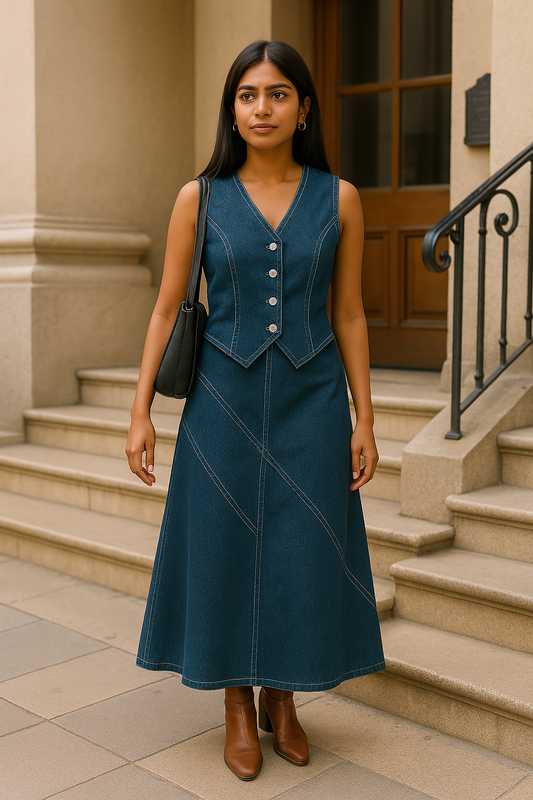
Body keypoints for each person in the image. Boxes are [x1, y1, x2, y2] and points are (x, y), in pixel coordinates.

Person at [126, 39, 385, 782]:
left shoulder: (339, 198)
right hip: (221, 400)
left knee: (305, 550)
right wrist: (140, 412)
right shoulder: (199, 197)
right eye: (247, 95)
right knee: (222, 548)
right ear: (232, 110)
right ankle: (236, 703)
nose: (261, 107)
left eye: (276, 94)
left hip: (313, 401)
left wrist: (365, 417)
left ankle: (284, 697)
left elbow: (349, 313)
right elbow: (166, 307)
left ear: (303, 109)